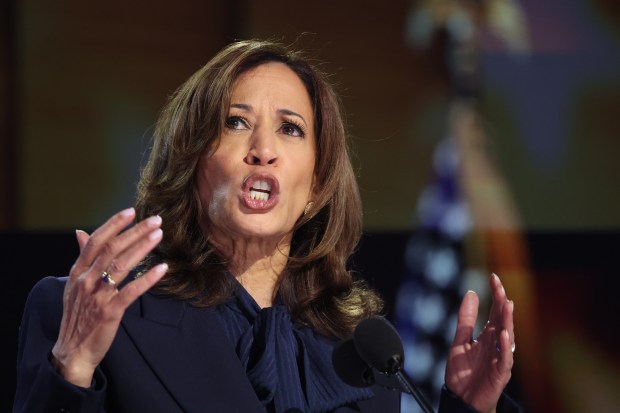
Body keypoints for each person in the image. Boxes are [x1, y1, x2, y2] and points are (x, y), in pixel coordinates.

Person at [13, 39, 518, 413]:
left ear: (316, 187)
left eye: (291, 129)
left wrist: (470, 410)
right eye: (235, 122)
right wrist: (71, 369)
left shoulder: (358, 351)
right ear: (192, 162)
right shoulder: (96, 319)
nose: (264, 149)